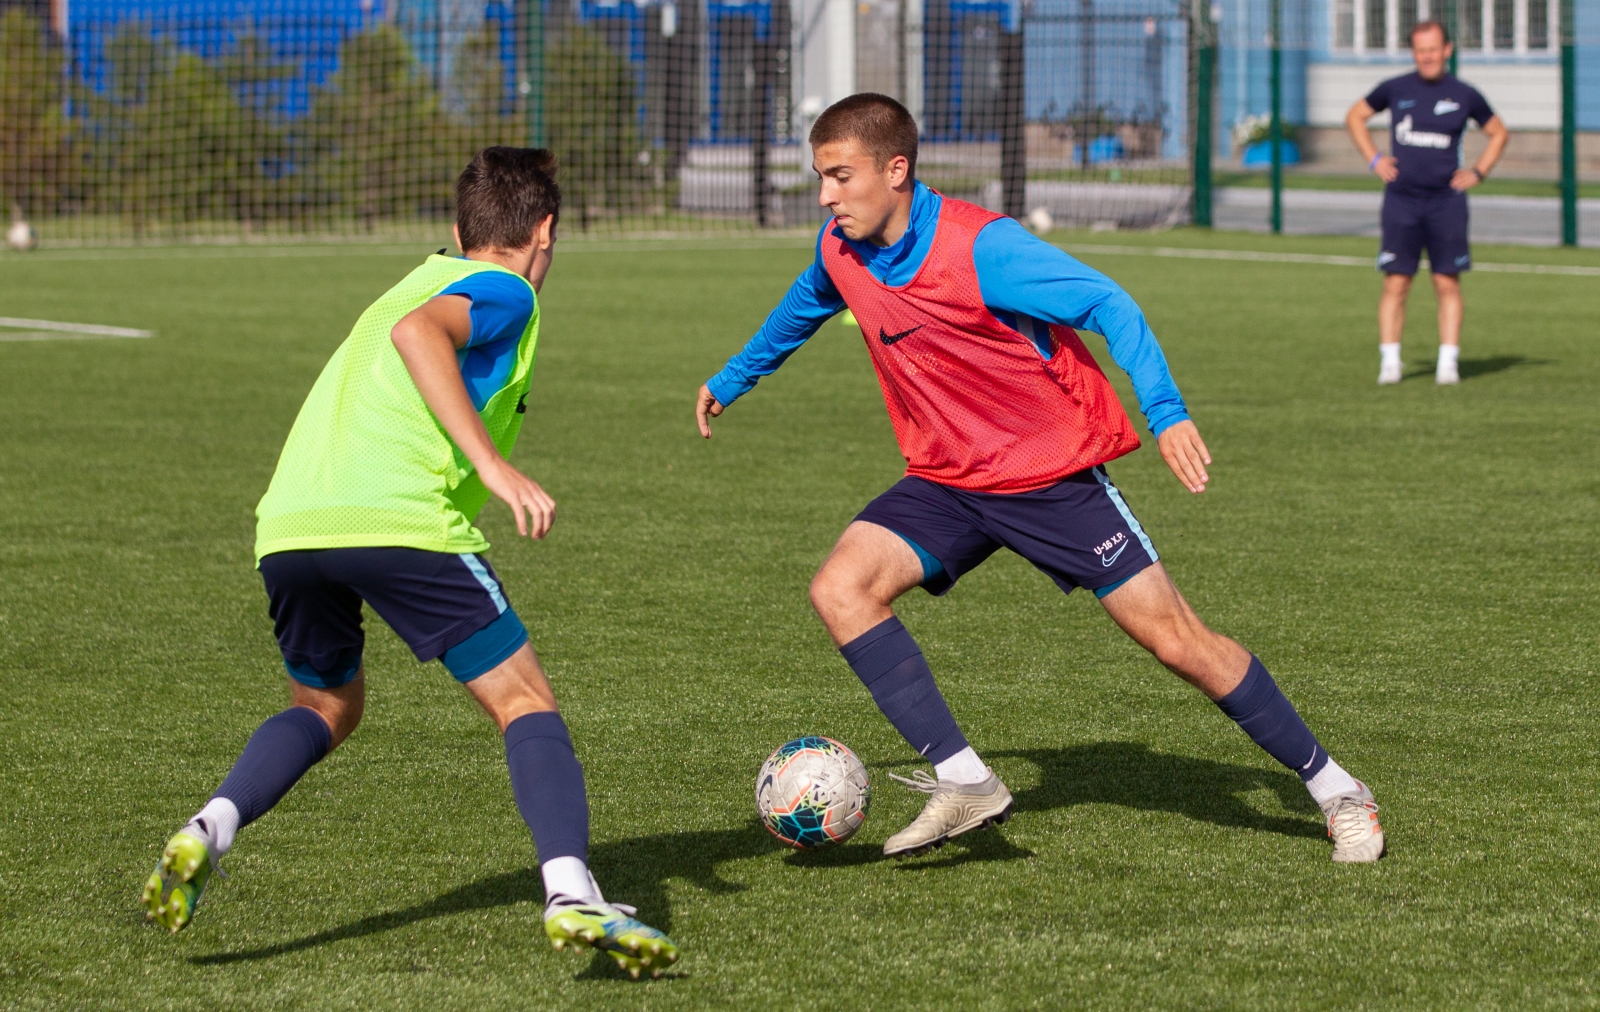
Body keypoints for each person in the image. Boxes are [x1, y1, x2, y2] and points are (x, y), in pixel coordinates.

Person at [696, 94, 1385, 864]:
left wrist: (1165, 411)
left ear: (896, 170)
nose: (826, 195)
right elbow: (806, 304)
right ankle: (966, 780)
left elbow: (1106, 301)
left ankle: (1338, 790)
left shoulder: (980, 248)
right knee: (841, 589)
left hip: (1049, 479)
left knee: (1177, 641)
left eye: (840, 176)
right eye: (820, 176)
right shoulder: (840, 248)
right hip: (950, 479)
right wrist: (734, 377)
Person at [141, 147, 678, 978]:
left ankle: (209, 826)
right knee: (524, 701)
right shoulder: (504, 288)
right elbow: (417, 335)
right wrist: (494, 469)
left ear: (457, 229)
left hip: (290, 525)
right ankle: (572, 893)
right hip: (395, 521)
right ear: (545, 231)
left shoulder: (417, 275)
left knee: (327, 706)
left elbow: (404, 323)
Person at [1345, 20, 1508, 386]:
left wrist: (1478, 172)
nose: (1428, 56)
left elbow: (1499, 133)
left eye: (1433, 49)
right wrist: (1375, 159)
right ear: (1413, 53)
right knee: (1396, 282)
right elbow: (1355, 117)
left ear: (1447, 49)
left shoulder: (1465, 94)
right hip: (1402, 201)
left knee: (1446, 282)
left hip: (1446, 202)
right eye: (1421, 50)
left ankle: (1447, 364)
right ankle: (1390, 363)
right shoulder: (1395, 88)